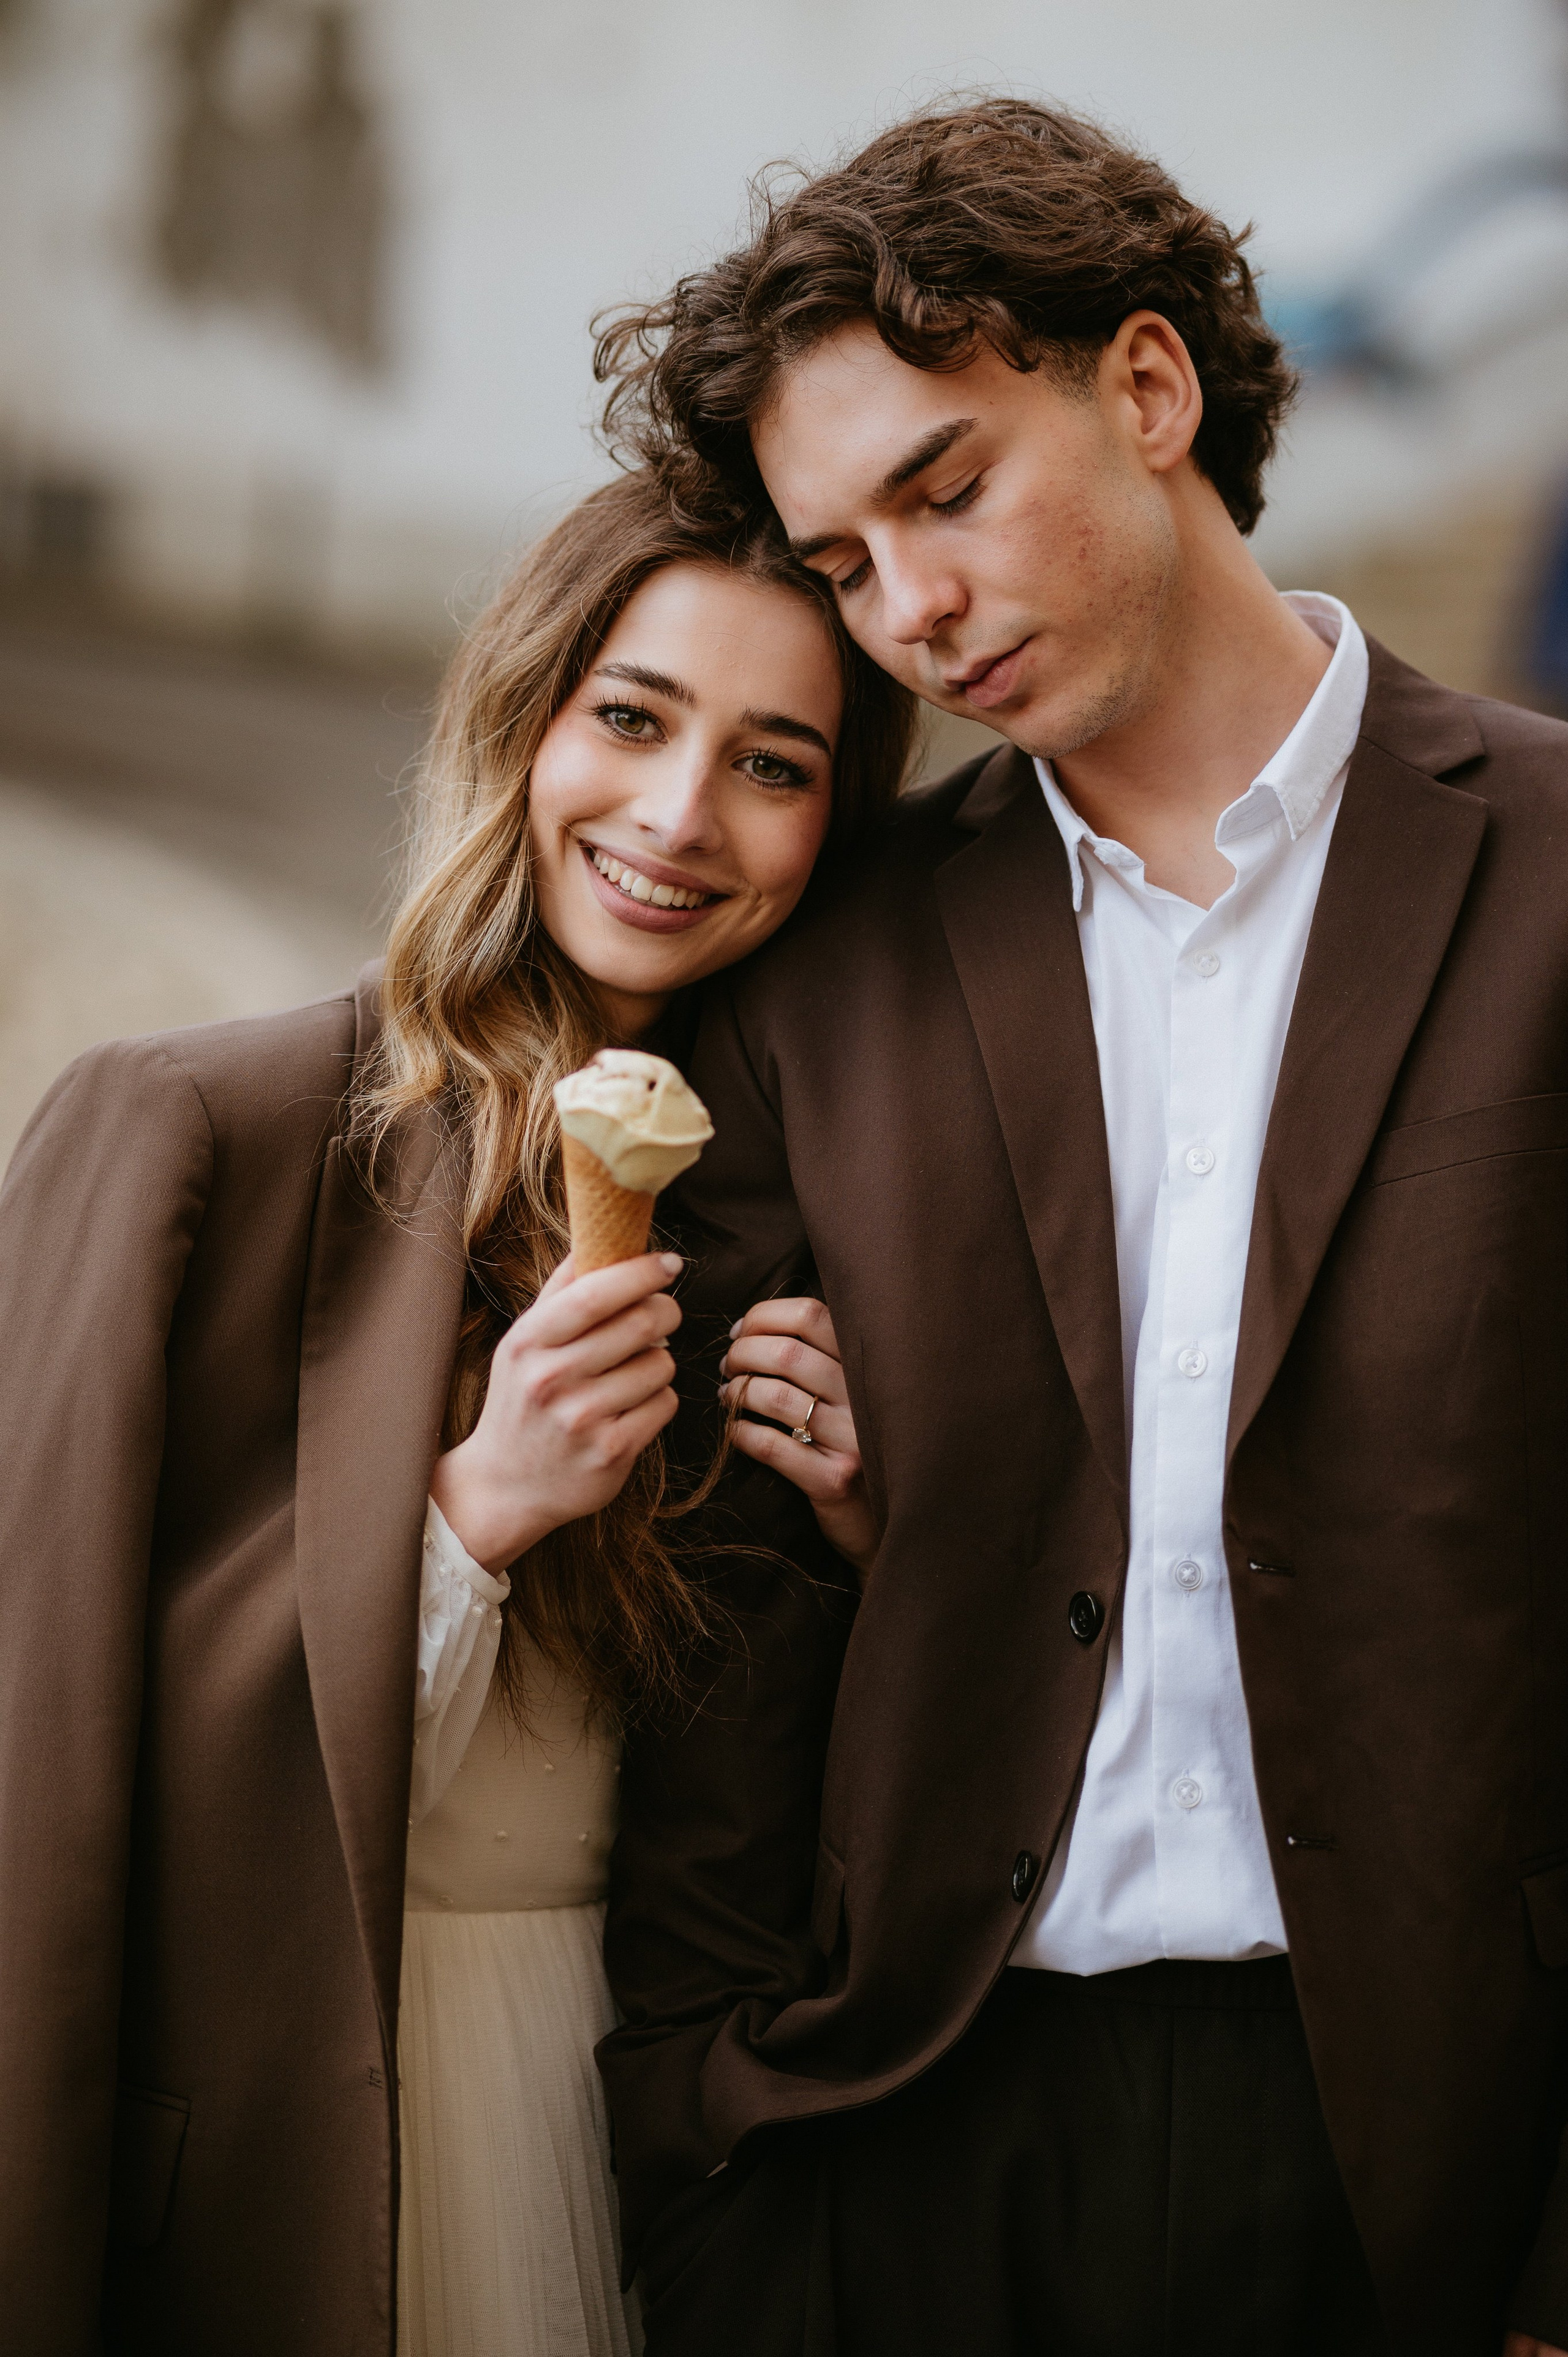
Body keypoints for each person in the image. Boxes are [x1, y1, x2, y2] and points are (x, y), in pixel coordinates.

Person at [591, 97, 1568, 2357]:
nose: (910, 612)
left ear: (1150, 389)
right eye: (842, 562)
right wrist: (705, 2152)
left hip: (1437, 2158)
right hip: (902, 2153)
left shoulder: (1549, 865)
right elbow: (727, 1637)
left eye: (944, 490)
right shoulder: (825, 969)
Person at [0, 466, 914, 2356]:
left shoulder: (811, 1220)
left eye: (775, 764)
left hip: (641, 2144)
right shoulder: (189, 1131)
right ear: (523, 715)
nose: (679, 817)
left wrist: (864, 1548)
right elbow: (46, 1753)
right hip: (320, 2139)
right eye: (634, 718)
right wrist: (466, 1522)